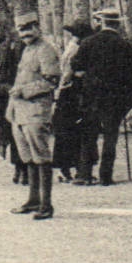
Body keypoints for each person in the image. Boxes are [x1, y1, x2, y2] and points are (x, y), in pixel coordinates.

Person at [71, 7, 132, 186]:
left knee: (89, 134)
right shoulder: (124, 45)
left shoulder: (88, 42)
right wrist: (126, 94)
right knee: (111, 136)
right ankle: (106, 176)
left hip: (92, 96)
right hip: (115, 98)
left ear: (101, 23)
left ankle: (84, 174)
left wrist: (85, 77)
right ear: (117, 25)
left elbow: (76, 66)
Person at [8, 13, 61, 219]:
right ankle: (33, 199)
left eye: (29, 29)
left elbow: (51, 80)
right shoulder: (27, 50)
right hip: (20, 112)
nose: (25, 34)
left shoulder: (46, 50)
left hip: (37, 110)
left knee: (41, 156)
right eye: (21, 30)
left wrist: (25, 91)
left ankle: (46, 204)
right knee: (27, 156)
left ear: (37, 28)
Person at [52, 19, 92, 183]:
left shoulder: (74, 47)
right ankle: (70, 167)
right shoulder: (76, 48)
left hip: (69, 92)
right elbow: (67, 72)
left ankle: (68, 167)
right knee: (71, 130)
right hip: (72, 92)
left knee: (68, 131)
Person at [0, 23, 23, 183]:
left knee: (23, 133)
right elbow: (0, 78)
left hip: (25, 96)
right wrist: (9, 89)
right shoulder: (5, 52)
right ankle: (19, 167)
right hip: (8, 97)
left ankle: (25, 168)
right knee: (12, 133)